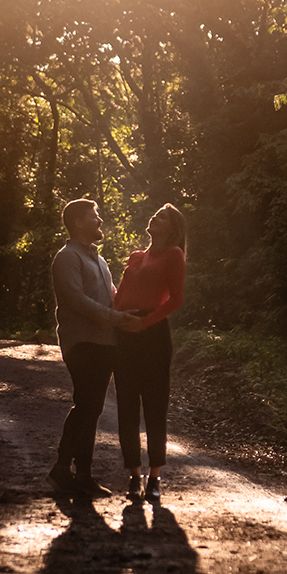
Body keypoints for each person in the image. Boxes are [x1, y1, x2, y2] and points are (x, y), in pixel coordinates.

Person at [49, 198, 141, 498]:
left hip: (104, 342)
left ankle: (82, 473)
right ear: (78, 222)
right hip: (82, 341)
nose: (100, 220)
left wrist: (133, 313)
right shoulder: (67, 257)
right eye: (94, 216)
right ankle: (62, 468)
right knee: (87, 404)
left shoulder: (99, 261)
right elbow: (76, 300)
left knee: (93, 407)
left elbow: (112, 297)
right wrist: (116, 318)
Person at [113, 204, 187, 504]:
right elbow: (119, 296)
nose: (155, 217)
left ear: (172, 228)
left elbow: (176, 299)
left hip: (153, 335)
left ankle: (155, 476)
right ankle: (134, 475)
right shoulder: (135, 257)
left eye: (162, 216)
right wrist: (116, 320)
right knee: (127, 404)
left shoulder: (174, 254)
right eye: (155, 214)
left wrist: (144, 323)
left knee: (155, 406)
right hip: (124, 332)